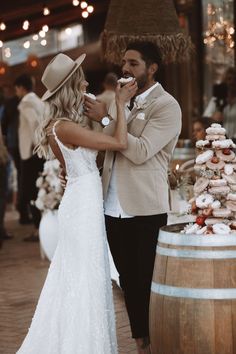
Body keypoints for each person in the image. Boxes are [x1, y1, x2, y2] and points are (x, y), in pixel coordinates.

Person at [17, 52, 137, 353]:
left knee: (85, 276)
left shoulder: (64, 125)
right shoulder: (65, 128)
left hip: (82, 202)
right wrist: (119, 104)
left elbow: (83, 163)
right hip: (83, 208)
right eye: (80, 78)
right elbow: (120, 144)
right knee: (86, 278)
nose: (86, 82)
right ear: (71, 86)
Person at [84, 41, 182, 354]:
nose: (125, 69)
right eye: (124, 62)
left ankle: (158, 340)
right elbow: (111, 146)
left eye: (134, 63)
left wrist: (106, 119)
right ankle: (142, 342)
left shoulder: (167, 106)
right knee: (127, 280)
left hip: (145, 205)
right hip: (112, 205)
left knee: (148, 281)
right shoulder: (122, 101)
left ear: (152, 68)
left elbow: (138, 152)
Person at [14, 74, 45, 239]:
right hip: (39, 153)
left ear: (20, 87)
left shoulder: (25, 102)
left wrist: (35, 143)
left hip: (31, 153)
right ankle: (41, 226)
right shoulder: (38, 100)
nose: (16, 92)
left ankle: (38, 229)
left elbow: (33, 122)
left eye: (16, 89)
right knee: (39, 189)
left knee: (31, 191)